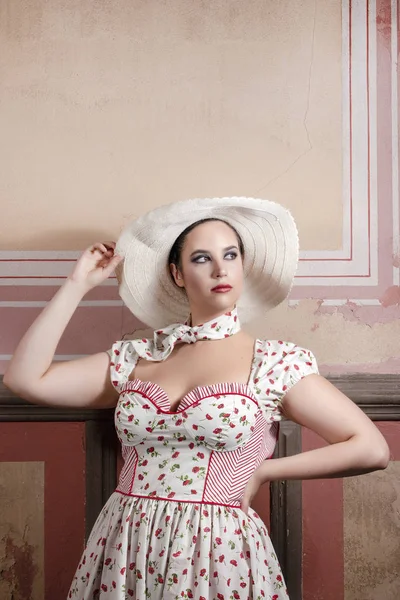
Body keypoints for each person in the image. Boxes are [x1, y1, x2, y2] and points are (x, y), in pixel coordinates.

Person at [4, 197, 389, 600]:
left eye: (230, 255)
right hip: (125, 544)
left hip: (217, 553)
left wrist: (263, 472)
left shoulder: (272, 363)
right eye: (202, 258)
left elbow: (371, 448)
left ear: (243, 266)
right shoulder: (139, 356)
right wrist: (76, 286)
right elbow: (25, 379)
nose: (220, 269)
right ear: (178, 274)